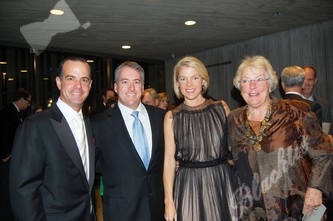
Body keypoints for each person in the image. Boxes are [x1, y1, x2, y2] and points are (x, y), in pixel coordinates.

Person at [228, 55, 333, 220]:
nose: (252, 86)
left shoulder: (296, 112)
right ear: (239, 86)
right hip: (251, 212)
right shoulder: (233, 120)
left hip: (292, 209)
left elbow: (324, 152)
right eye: (246, 81)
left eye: (259, 79)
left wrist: (316, 188)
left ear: (270, 84)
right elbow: (226, 157)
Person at [9, 57, 96, 221]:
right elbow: (23, 191)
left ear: (90, 85)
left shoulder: (88, 123)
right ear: (58, 82)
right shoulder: (35, 126)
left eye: (84, 80)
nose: (78, 86)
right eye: (71, 78)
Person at [163, 56, 237, 221]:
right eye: (183, 79)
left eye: (194, 77)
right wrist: (169, 201)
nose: (189, 84)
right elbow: (168, 161)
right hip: (188, 185)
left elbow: (236, 147)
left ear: (203, 80)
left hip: (221, 182)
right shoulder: (171, 117)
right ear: (178, 84)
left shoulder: (221, 108)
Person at [92, 61, 165, 221]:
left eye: (136, 82)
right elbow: (94, 165)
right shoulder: (99, 124)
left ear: (142, 87)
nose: (131, 88)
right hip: (122, 212)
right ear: (116, 87)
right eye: (125, 82)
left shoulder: (161, 118)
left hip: (158, 209)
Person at [0, 87, 31, 221]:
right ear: (21, 99)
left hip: (11, 159)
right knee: (6, 191)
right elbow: (2, 135)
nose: (29, 104)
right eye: (28, 101)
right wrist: (5, 154)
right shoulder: (8, 113)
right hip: (6, 160)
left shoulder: (15, 113)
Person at [302, 65, 332, 134]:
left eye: (310, 79)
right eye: (304, 79)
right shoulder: (291, 103)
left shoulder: (324, 105)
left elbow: (327, 133)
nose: (306, 83)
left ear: (315, 81)